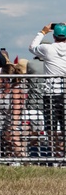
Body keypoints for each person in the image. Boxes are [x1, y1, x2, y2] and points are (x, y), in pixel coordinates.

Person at [29, 22, 66, 158]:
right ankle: (63, 154)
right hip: (64, 92)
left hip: (50, 93)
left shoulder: (48, 48)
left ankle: (55, 154)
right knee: (63, 127)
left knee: (50, 126)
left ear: (54, 36)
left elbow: (32, 47)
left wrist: (43, 32)